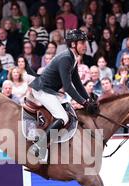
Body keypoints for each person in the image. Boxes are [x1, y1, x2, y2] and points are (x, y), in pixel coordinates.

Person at [29, 29, 98, 159]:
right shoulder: (66, 58)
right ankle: (38, 146)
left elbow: (77, 83)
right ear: (73, 44)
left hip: (50, 90)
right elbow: (67, 87)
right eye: (82, 42)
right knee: (63, 118)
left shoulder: (73, 58)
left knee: (69, 111)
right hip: (42, 90)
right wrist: (84, 102)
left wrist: (89, 100)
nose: (85, 45)